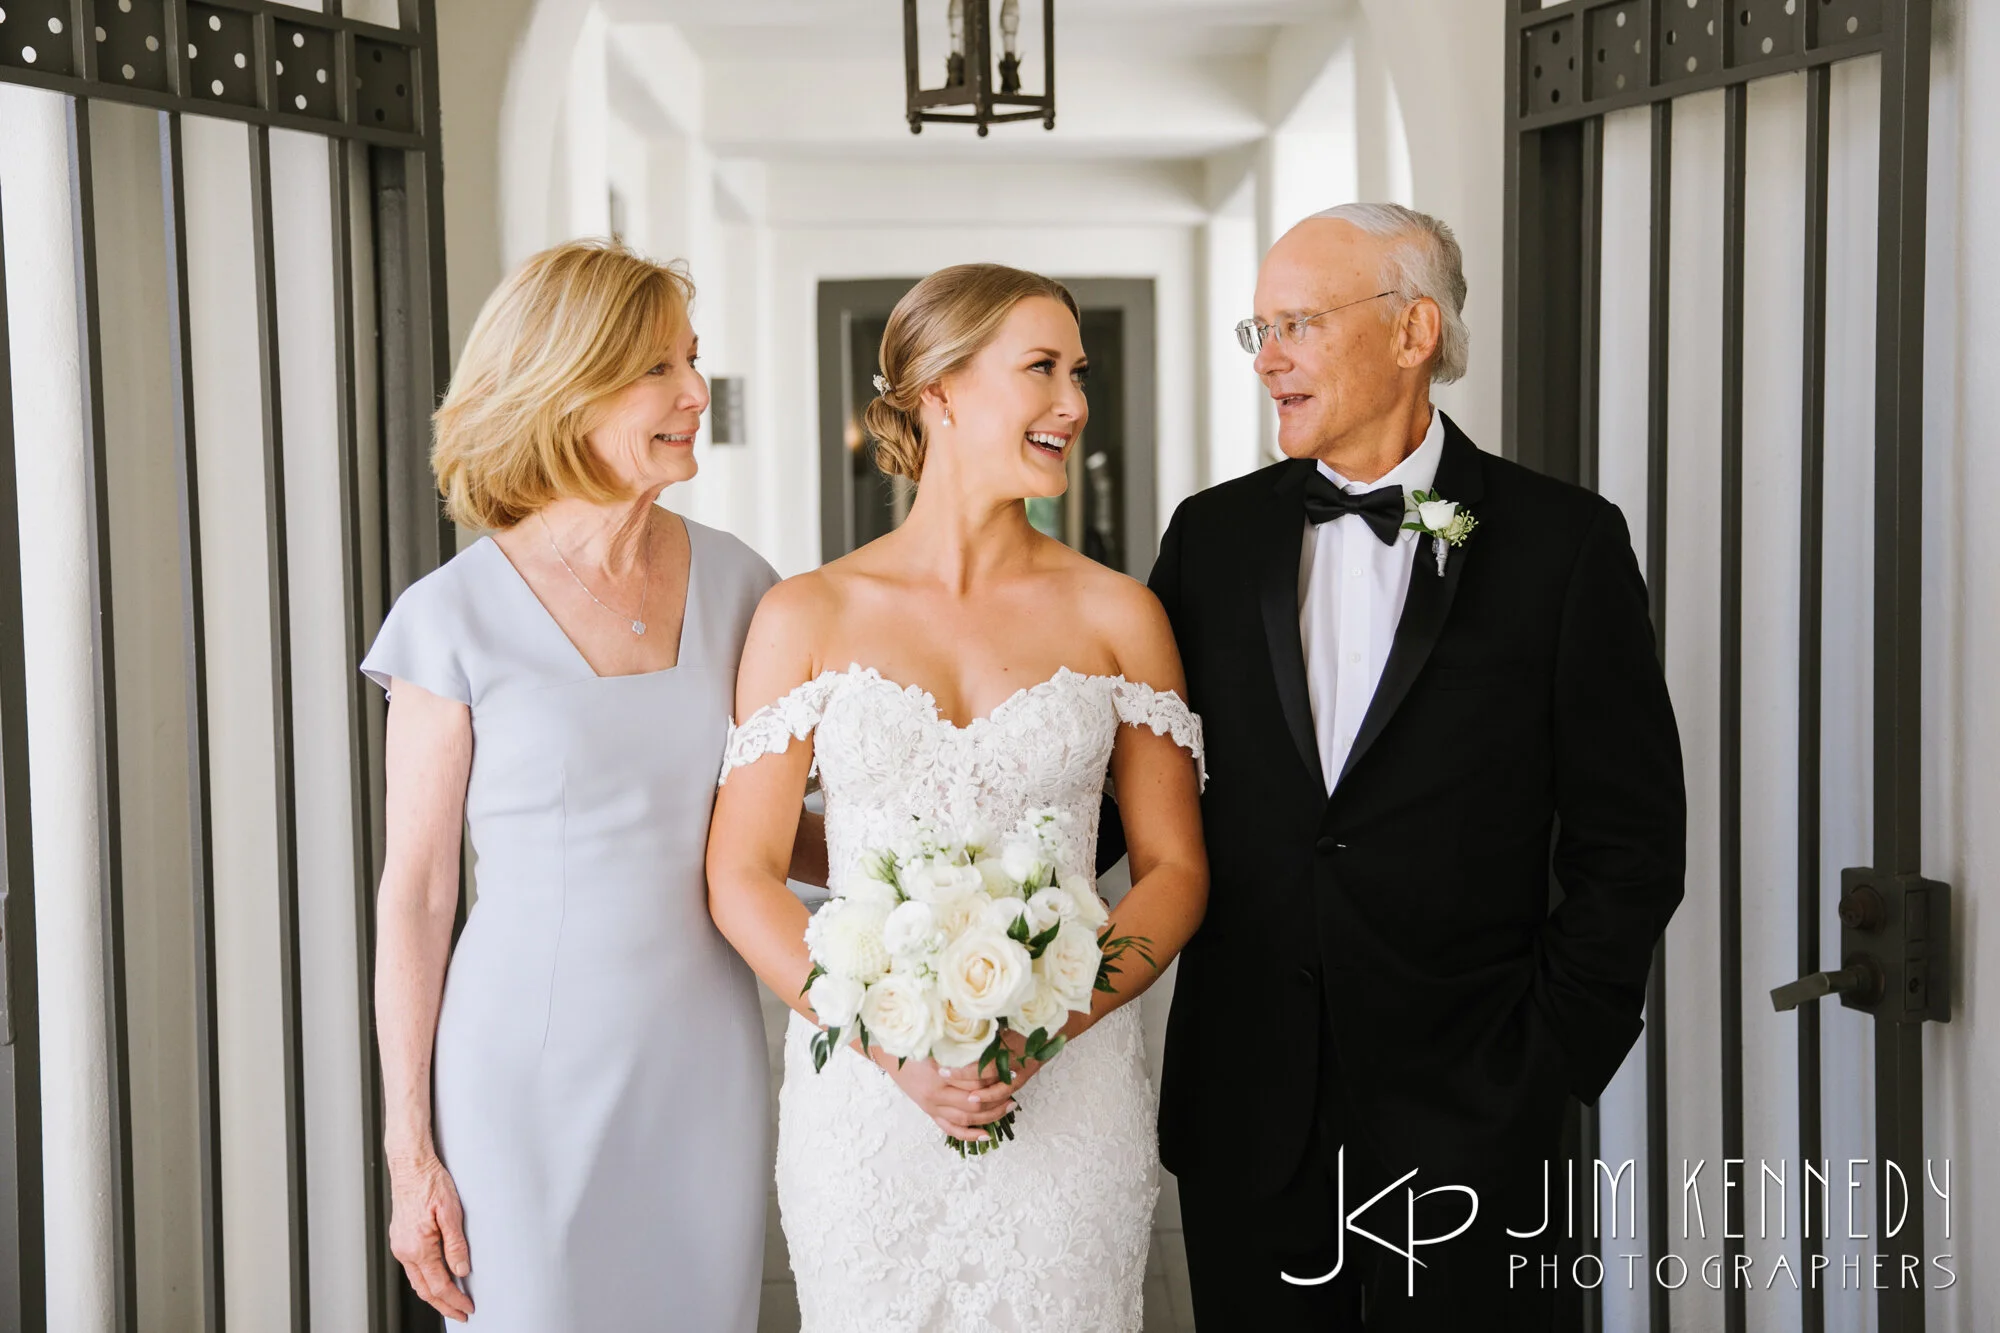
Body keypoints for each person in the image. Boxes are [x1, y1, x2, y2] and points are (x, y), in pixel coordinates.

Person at [1148, 204, 1686, 1329]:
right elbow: (1135, 784)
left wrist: (1547, 1062)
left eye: (1297, 323)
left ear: (1412, 331)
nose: (1269, 358)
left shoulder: (1563, 545)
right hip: (1249, 1104)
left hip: (1476, 1114)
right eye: (1258, 330)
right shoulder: (1209, 539)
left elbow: (1630, 841)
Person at [705, 263, 1208, 1332]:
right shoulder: (806, 614)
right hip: (867, 1107)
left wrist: (1053, 1019)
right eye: (1042, 368)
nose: (1074, 403)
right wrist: (890, 1048)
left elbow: (1173, 868)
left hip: (1068, 1094)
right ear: (937, 390)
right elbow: (741, 872)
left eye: (1078, 372)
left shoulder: (1120, 615)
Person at [364, 240, 822, 1329]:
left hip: (704, 1060)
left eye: (692, 359)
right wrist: (408, 1148)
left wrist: (938, 873)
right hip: (520, 1073)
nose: (695, 392)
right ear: (563, 386)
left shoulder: (744, 585)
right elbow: (417, 892)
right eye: (657, 368)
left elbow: (780, 830)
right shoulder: (450, 616)